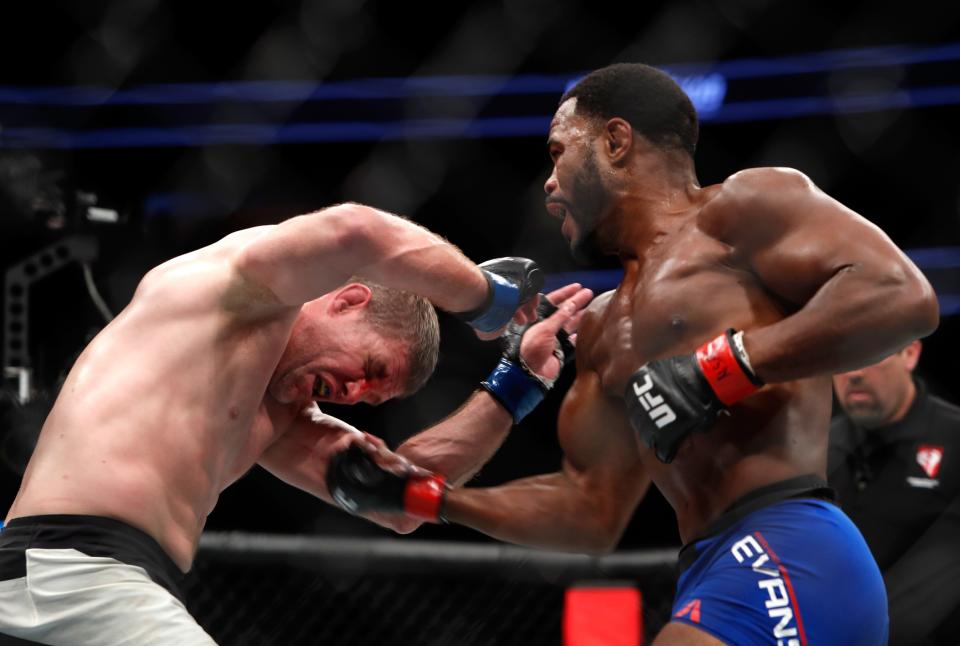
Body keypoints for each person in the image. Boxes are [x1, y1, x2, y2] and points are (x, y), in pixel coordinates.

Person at [326, 63, 940, 645]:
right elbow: (588, 511)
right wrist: (432, 499)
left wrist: (719, 369)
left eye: (559, 153)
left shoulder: (743, 210)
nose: (548, 182)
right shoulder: (600, 328)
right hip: (707, 566)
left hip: (790, 546)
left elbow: (902, 296)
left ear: (615, 141)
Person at [0, 201, 593, 645]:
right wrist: (485, 296)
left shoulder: (279, 416)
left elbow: (397, 499)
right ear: (348, 300)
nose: (354, 393)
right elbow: (357, 231)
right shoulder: (237, 285)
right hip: (64, 567)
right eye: (368, 367)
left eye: (369, 397)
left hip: (109, 580)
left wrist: (515, 384)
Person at [829, 341, 960, 645]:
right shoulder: (817, 449)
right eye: (843, 359)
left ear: (910, 353)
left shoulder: (955, 440)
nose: (855, 372)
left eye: (871, 355)